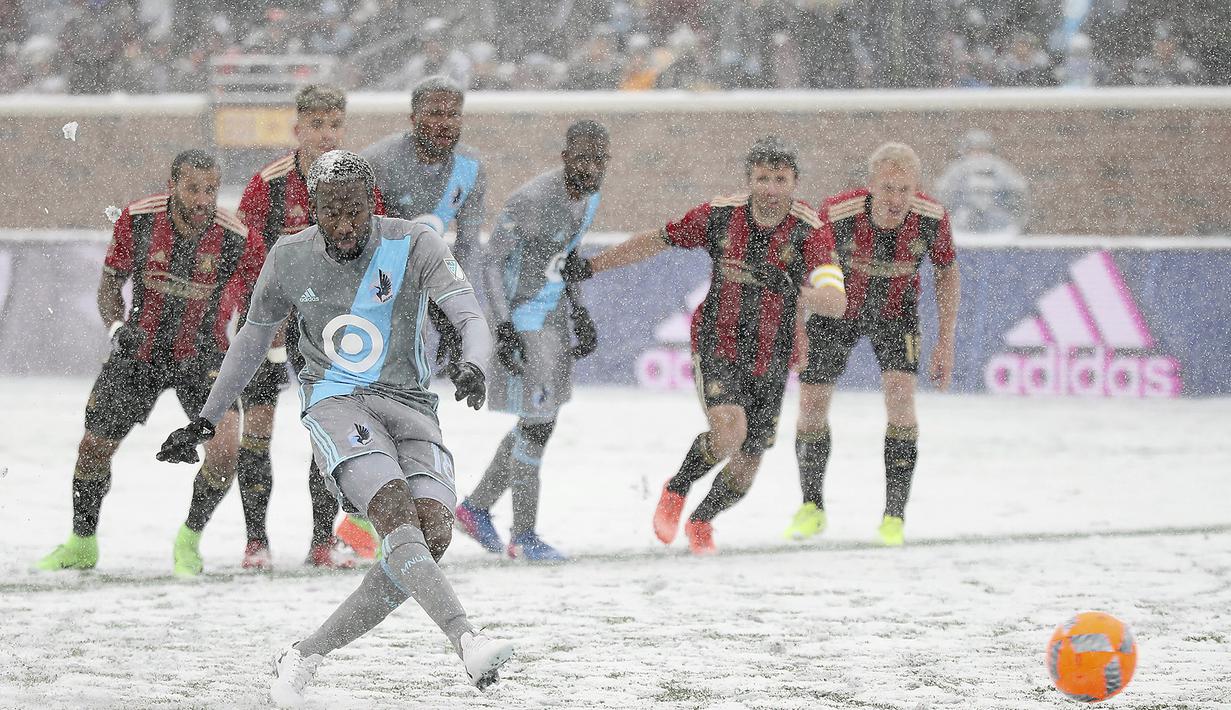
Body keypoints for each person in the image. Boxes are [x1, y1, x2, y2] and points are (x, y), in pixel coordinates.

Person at [156, 151, 513, 706]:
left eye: (353, 211)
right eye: (330, 211)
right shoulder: (291, 255)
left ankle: (305, 655)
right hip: (336, 402)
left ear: (371, 202)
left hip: (413, 405)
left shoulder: (415, 244)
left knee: (431, 535)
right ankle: (468, 640)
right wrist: (206, 416)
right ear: (312, 208)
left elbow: (470, 316)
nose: (343, 226)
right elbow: (252, 339)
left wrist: (473, 363)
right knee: (393, 513)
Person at [561, 136, 847, 555]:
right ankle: (676, 488)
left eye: (779, 179)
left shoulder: (811, 231)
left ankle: (703, 519)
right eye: (762, 178)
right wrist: (592, 266)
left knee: (748, 465)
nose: (770, 188)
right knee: (729, 432)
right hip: (719, 342)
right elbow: (656, 240)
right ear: (749, 180)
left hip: (771, 353)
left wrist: (795, 289)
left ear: (794, 182)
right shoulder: (719, 216)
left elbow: (836, 303)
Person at [34, 149, 258, 577]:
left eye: (210, 189)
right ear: (172, 185)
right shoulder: (137, 218)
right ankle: (82, 542)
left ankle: (189, 540)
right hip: (140, 351)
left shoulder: (234, 234)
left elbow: (259, 296)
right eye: (192, 189)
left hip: (202, 355)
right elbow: (109, 284)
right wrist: (117, 328)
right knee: (93, 448)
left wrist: (260, 343)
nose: (202, 199)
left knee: (227, 448)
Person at [200, 84, 391, 571]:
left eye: (335, 124)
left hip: (330, 333)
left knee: (325, 435)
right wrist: (271, 314)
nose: (327, 135)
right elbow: (245, 256)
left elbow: (379, 248)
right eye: (317, 125)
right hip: (273, 326)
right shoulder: (268, 184)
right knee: (258, 432)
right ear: (298, 129)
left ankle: (321, 543)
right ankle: (256, 542)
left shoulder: (360, 184)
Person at [784, 142, 961, 547]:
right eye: (888, 189)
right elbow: (801, 272)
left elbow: (948, 275)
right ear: (871, 187)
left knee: (901, 400)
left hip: (896, 313)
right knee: (811, 404)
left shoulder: (932, 218)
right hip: (837, 310)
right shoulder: (836, 214)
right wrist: (797, 329)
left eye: (905, 190)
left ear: (916, 188)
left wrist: (945, 341)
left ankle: (894, 516)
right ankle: (811, 508)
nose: (896, 199)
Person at [453, 120, 609, 562]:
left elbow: (567, 256)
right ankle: (524, 536)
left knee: (539, 422)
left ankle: (475, 508)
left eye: (599, 159)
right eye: (582, 157)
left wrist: (579, 308)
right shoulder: (532, 200)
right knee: (536, 426)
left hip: (555, 320)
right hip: (526, 323)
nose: (591, 167)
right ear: (565, 158)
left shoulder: (591, 198)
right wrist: (503, 328)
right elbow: (490, 263)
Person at [355, 74, 487, 555]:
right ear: (412, 118)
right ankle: (349, 519)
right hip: (376, 302)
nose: (442, 122)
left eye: (451, 113)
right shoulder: (378, 162)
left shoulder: (471, 170)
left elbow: (468, 247)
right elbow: (356, 239)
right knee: (360, 403)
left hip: (426, 299)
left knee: (412, 403)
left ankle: (385, 516)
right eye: (432, 112)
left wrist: (457, 315)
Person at [934, 129, 1029, 234]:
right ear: (966, 151)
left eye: (983, 150)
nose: (979, 155)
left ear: (990, 151)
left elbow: (1018, 193)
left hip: (999, 227)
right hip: (962, 228)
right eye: (974, 150)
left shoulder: (1002, 170)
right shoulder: (956, 171)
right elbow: (944, 194)